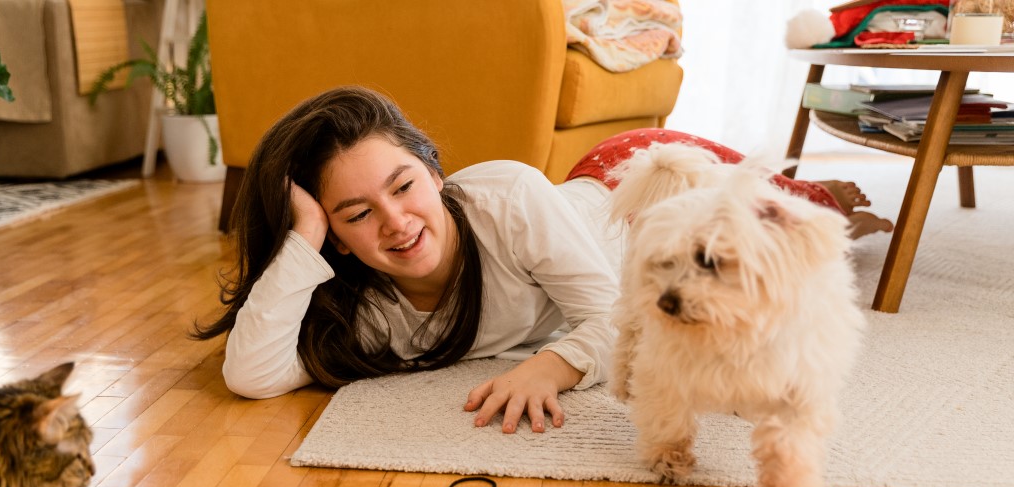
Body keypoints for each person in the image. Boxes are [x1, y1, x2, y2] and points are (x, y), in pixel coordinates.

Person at [194, 86, 887, 433]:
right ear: (336, 240)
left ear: (436, 172)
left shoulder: (509, 198)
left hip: (635, 184)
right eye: (355, 214)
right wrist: (300, 238)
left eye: (403, 186)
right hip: (620, 217)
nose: (396, 221)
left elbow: (622, 322)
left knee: (802, 222)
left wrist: (550, 363)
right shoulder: (372, 312)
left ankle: (839, 197)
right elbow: (253, 375)